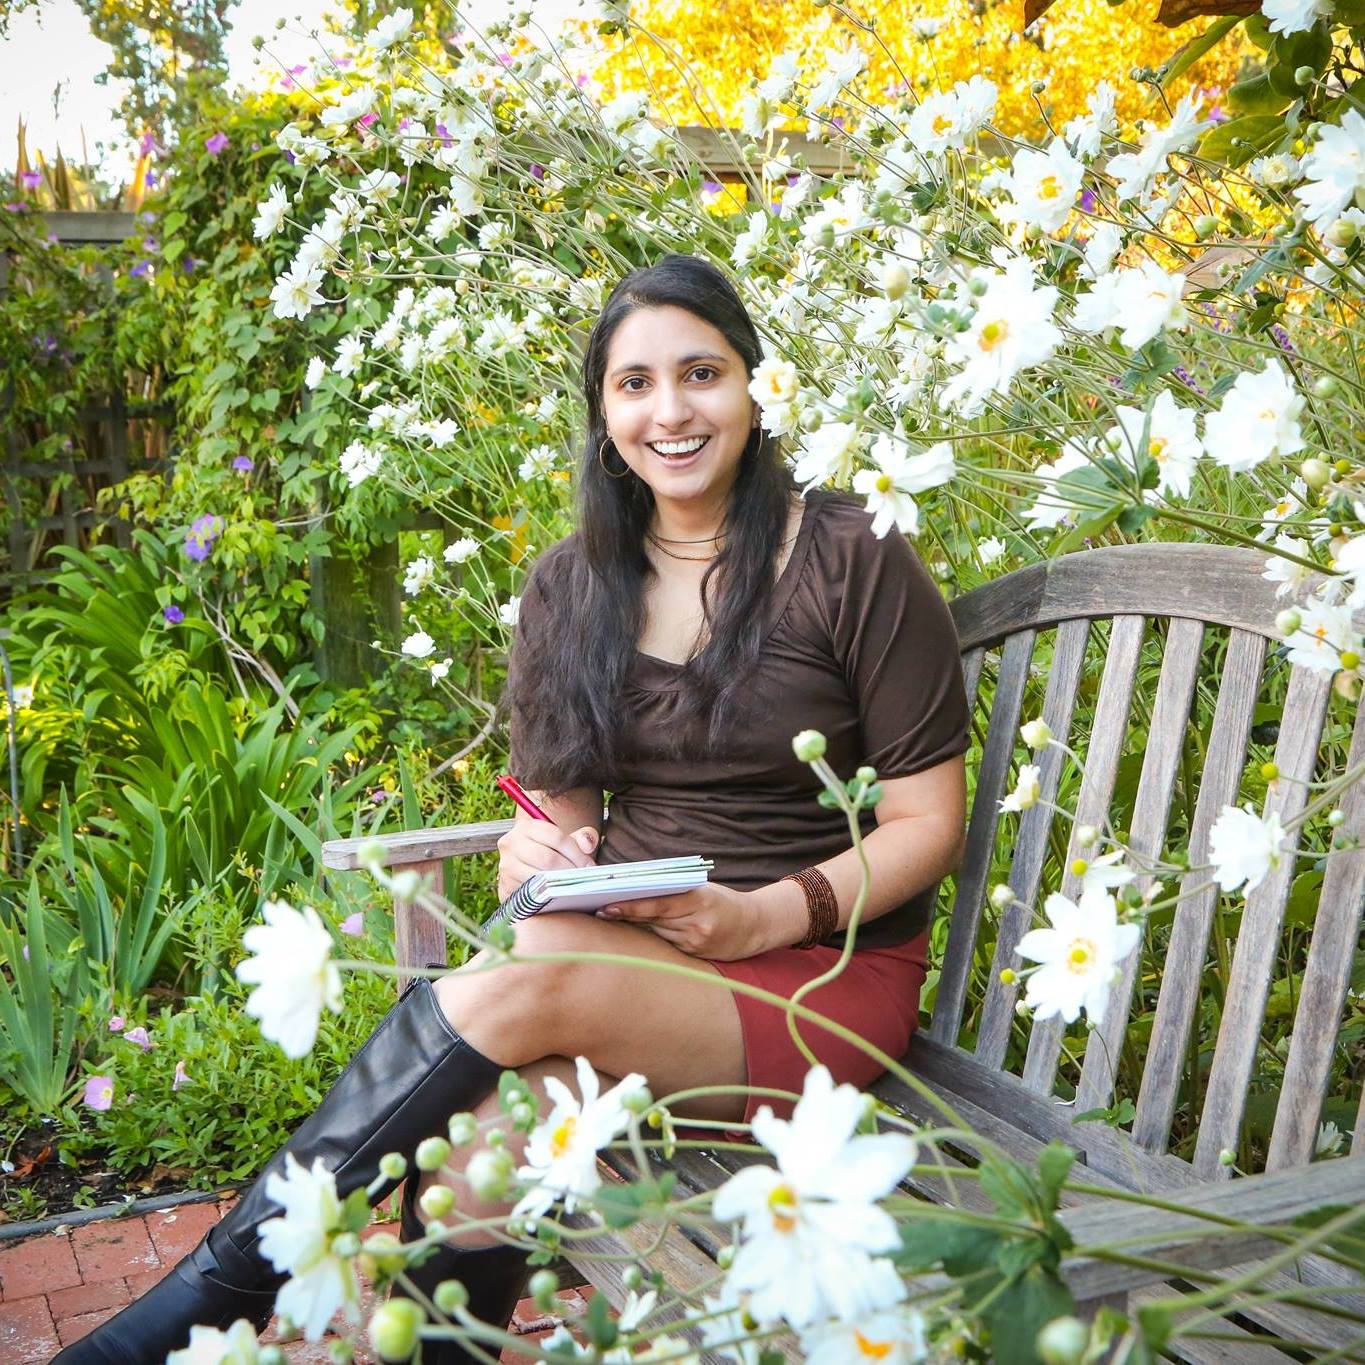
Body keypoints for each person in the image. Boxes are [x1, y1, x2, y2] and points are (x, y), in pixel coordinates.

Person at [59, 253, 969, 1365]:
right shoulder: (573, 584)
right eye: (635, 384)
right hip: (629, 957)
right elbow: (552, 819)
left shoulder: (850, 555)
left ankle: (212, 1296)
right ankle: (255, 1297)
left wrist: (769, 915)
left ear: (754, 387)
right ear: (602, 411)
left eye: (702, 373)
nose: (670, 411)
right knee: (470, 1151)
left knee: (525, 979)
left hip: (822, 978)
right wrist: (539, 847)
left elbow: (929, 823)